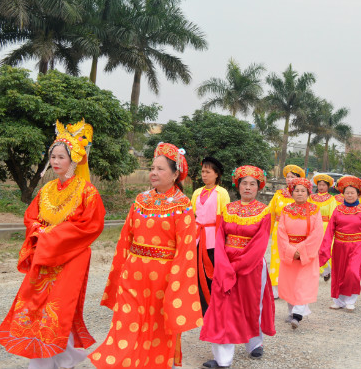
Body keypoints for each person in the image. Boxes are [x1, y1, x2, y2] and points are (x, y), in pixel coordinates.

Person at [0, 120, 105, 369]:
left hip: (71, 257)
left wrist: (49, 234)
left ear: (74, 160)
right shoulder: (46, 189)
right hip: (45, 254)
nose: (55, 161)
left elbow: (90, 226)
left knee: (58, 307)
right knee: (35, 305)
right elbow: (31, 217)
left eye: (61, 157)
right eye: (53, 157)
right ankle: (62, 357)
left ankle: (49, 360)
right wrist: (40, 232)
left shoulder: (87, 192)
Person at [90, 143, 200, 369]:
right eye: (152, 168)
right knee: (125, 323)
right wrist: (119, 274)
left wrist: (176, 287)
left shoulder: (183, 206)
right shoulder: (140, 200)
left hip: (163, 279)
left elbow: (186, 252)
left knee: (157, 327)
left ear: (175, 174)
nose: (153, 173)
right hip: (133, 274)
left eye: (160, 169)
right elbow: (125, 239)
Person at [200, 166, 275, 368]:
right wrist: (224, 266)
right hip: (226, 265)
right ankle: (223, 359)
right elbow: (220, 238)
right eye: (244, 183)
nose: (248, 187)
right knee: (223, 308)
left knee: (252, 306)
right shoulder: (228, 209)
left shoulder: (264, 211)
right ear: (237, 185)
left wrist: (238, 266)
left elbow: (259, 244)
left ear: (258, 187)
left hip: (252, 267)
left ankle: (254, 343)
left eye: (252, 184)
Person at [319, 176, 361, 311]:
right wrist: (325, 247)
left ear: (358, 194)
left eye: (352, 193)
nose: (350, 195)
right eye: (347, 193)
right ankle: (338, 300)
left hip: (357, 246)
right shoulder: (338, 209)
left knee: (352, 272)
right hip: (339, 245)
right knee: (338, 273)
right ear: (343, 194)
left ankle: (350, 300)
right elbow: (330, 230)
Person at [277, 178, 324, 329]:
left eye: (303, 190)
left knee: (303, 283)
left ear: (308, 193)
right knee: (290, 283)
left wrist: (301, 250)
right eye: (296, 190)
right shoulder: (286, 210)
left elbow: (317, 233)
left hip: (306, 252)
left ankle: (298, 314)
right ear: (291, 192)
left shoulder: (315, 210)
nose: (299, 193)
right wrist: (291, 250)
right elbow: (281, 233)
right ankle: (292, 312)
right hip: (289, 251)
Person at [191, 156, 231, 315]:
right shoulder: (196, 192)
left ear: (217, 174)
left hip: (213, 238)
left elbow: (226, 217)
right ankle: (201, 306)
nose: (204, 175)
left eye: (208, 172)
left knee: (212, 272)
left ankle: (215, 305)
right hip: (197, 237)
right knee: (196, 271)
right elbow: (192, 215)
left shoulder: (222, 193)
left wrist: (225, 240)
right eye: (202, 171)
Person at [268, 165, 306, 298]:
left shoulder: (301, 195)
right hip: (278, 229)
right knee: (276, 258)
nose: (289, 179)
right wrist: (267, 230)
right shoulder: (278, 194)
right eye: (288, 177)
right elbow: (270, 213)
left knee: (291, 258)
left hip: (294, 232)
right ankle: (275, 287)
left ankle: (291, 286)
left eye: (292, 177)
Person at [310, 174, 338, 282]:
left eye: (323, 185)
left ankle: (326, 269)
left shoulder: (331, 199)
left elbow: (333, 215)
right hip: (313, 226)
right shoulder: (311, 198)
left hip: (326, 226)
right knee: (314, 248)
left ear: (328, 187)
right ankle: (320, 271)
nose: (321, 187)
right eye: (319, 184)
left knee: (326, 249)